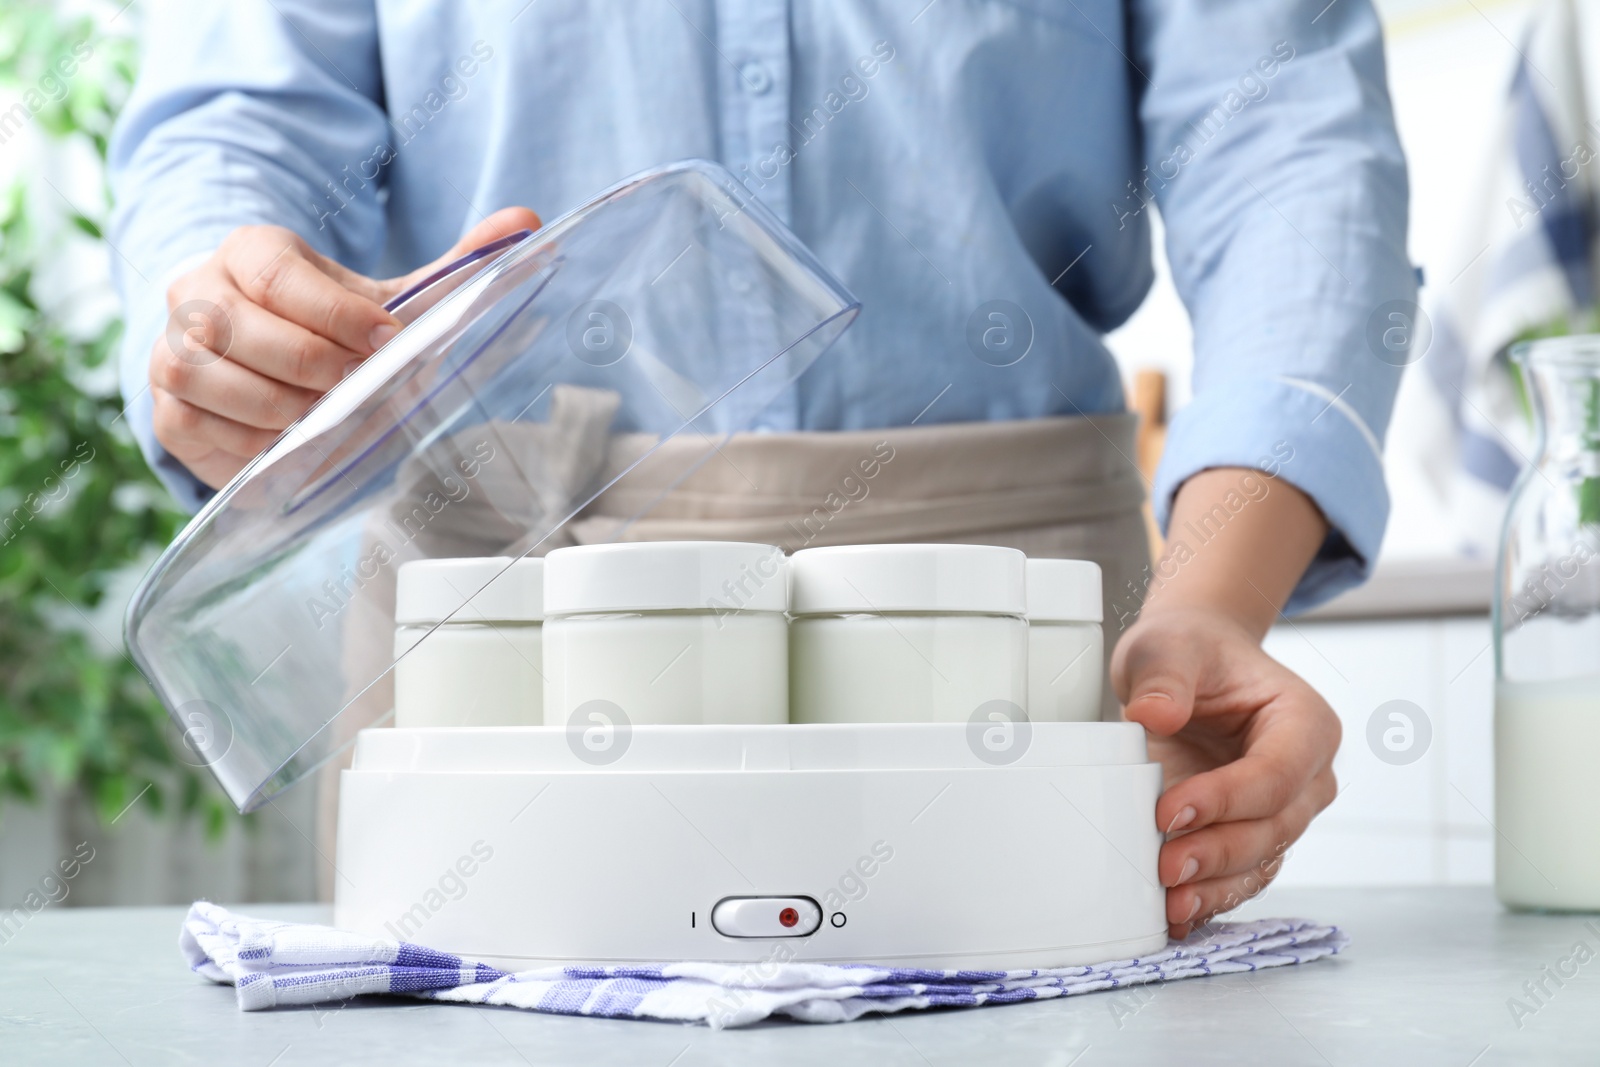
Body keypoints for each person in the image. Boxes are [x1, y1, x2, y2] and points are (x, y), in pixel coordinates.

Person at [109, 0, 1410, 938]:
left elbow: (1288, 140)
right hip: (493, 602)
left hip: (1021, 606)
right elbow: (233, 120)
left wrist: (1212, 602)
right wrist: (231, 312)